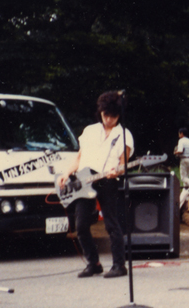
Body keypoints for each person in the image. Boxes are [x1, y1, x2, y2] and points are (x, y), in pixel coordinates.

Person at [57, 91, 134, 279]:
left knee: (111, 222)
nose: (108, 119)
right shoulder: (90, 131)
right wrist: (67, 172)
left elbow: (123, 164)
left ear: (119, 115)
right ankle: (94, 263)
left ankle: (119, 265)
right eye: (105, 115)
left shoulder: (124, 135)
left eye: (113, 116)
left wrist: (118, 171)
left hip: (107, 180)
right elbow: (79, 157)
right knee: (81, 224)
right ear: (100, 112)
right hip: (84, 180)